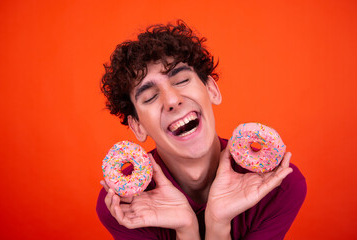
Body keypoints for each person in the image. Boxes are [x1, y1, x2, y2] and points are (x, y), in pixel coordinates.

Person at [96, 20, 307, 240]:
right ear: (138, 127)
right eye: (150, 97)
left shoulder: (277, 187)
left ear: (211, 90)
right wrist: (187, 229)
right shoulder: (127, 205)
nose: (172, 100)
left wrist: (218, 222)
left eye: (182, 80)